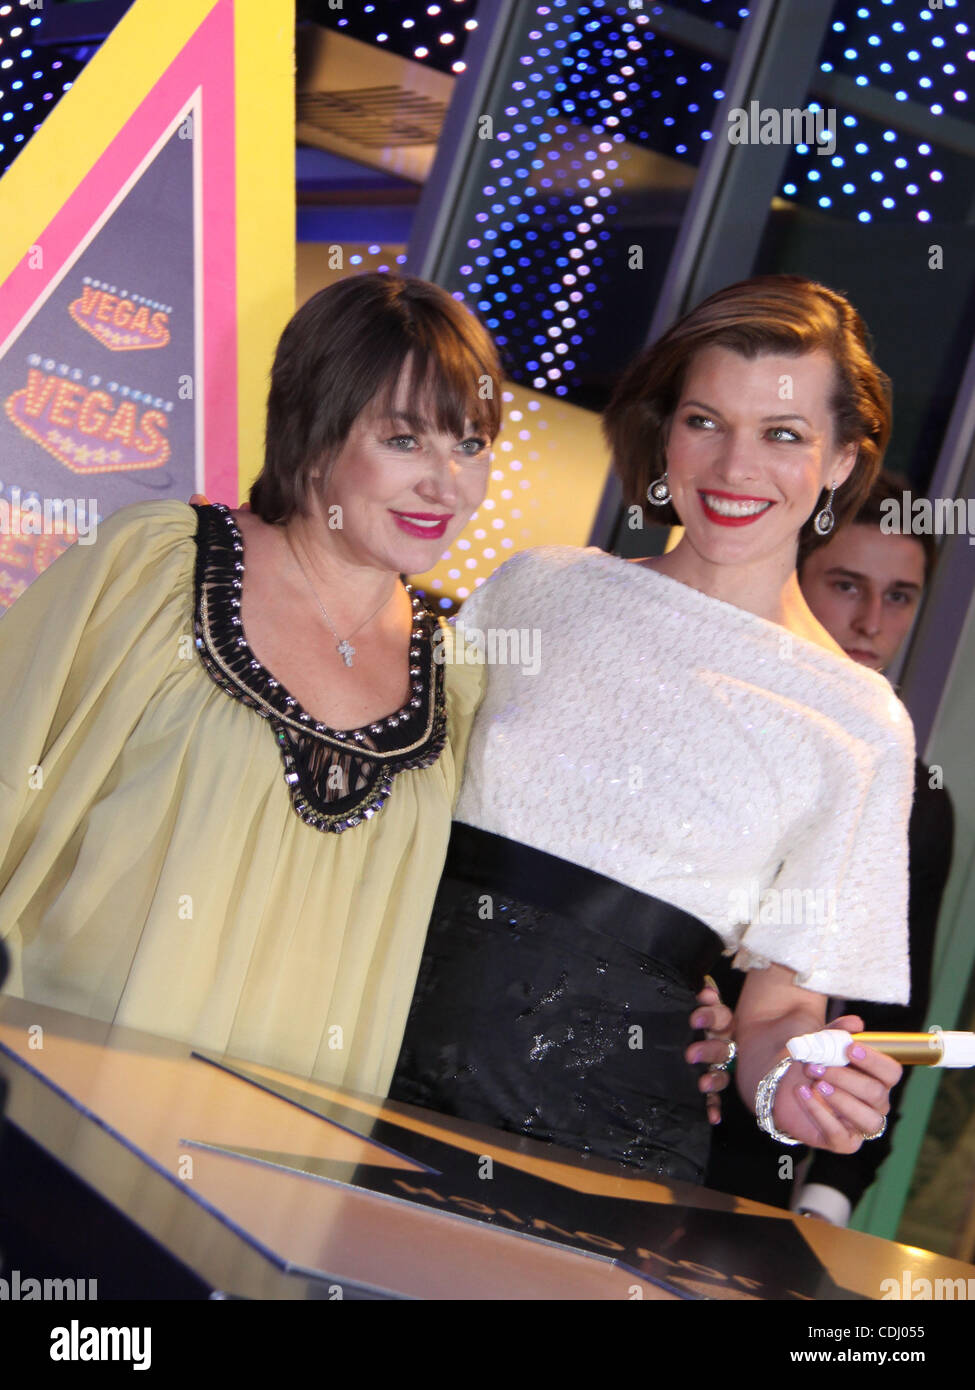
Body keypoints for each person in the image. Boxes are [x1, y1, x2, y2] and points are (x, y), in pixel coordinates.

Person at [389, 274, 910, 1184]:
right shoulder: (539, 588)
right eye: (705, 421)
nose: (734, 468)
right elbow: (394, 797)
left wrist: (792, 1088)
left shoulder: (856, 721)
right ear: (665, 430)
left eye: (782, 435)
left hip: (599, 1161)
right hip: (364, 1071)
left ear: (837, 462)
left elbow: (776, 1015)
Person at [0, 273, 501, 1097]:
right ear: (313, 430)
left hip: (279, 1160)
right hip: (53, 1100)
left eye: (469, 445)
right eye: (404, 441)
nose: (445, 486)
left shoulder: (459, 682)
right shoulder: (155, 569)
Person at [707, 470, 954, 1220]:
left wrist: (833, 1191)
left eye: (899, 596)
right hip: (598, 1097)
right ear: (792, 578)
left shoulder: (915, 794)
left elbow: (892, 1018)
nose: (872, 621)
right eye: (847, 585)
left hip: (759, 1148)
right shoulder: (711, 725)